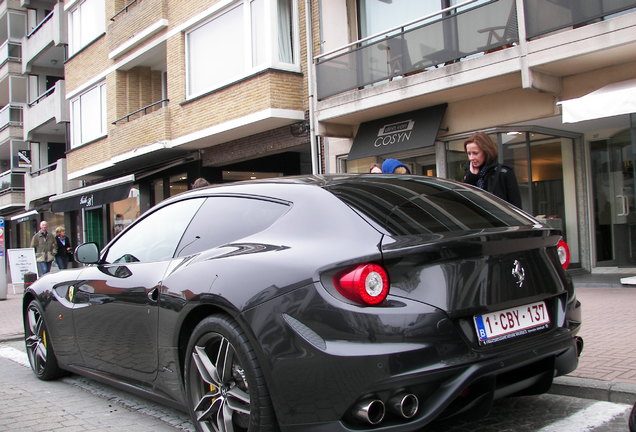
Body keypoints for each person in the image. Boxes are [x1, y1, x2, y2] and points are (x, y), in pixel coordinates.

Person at [462, 132, 522, 207]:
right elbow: (464, 202)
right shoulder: (469, 173)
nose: (471, 158)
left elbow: (516, 206)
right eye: (469, 153)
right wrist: (471, 177)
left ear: (486, 152)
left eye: (475, 153)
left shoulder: (504, 172)